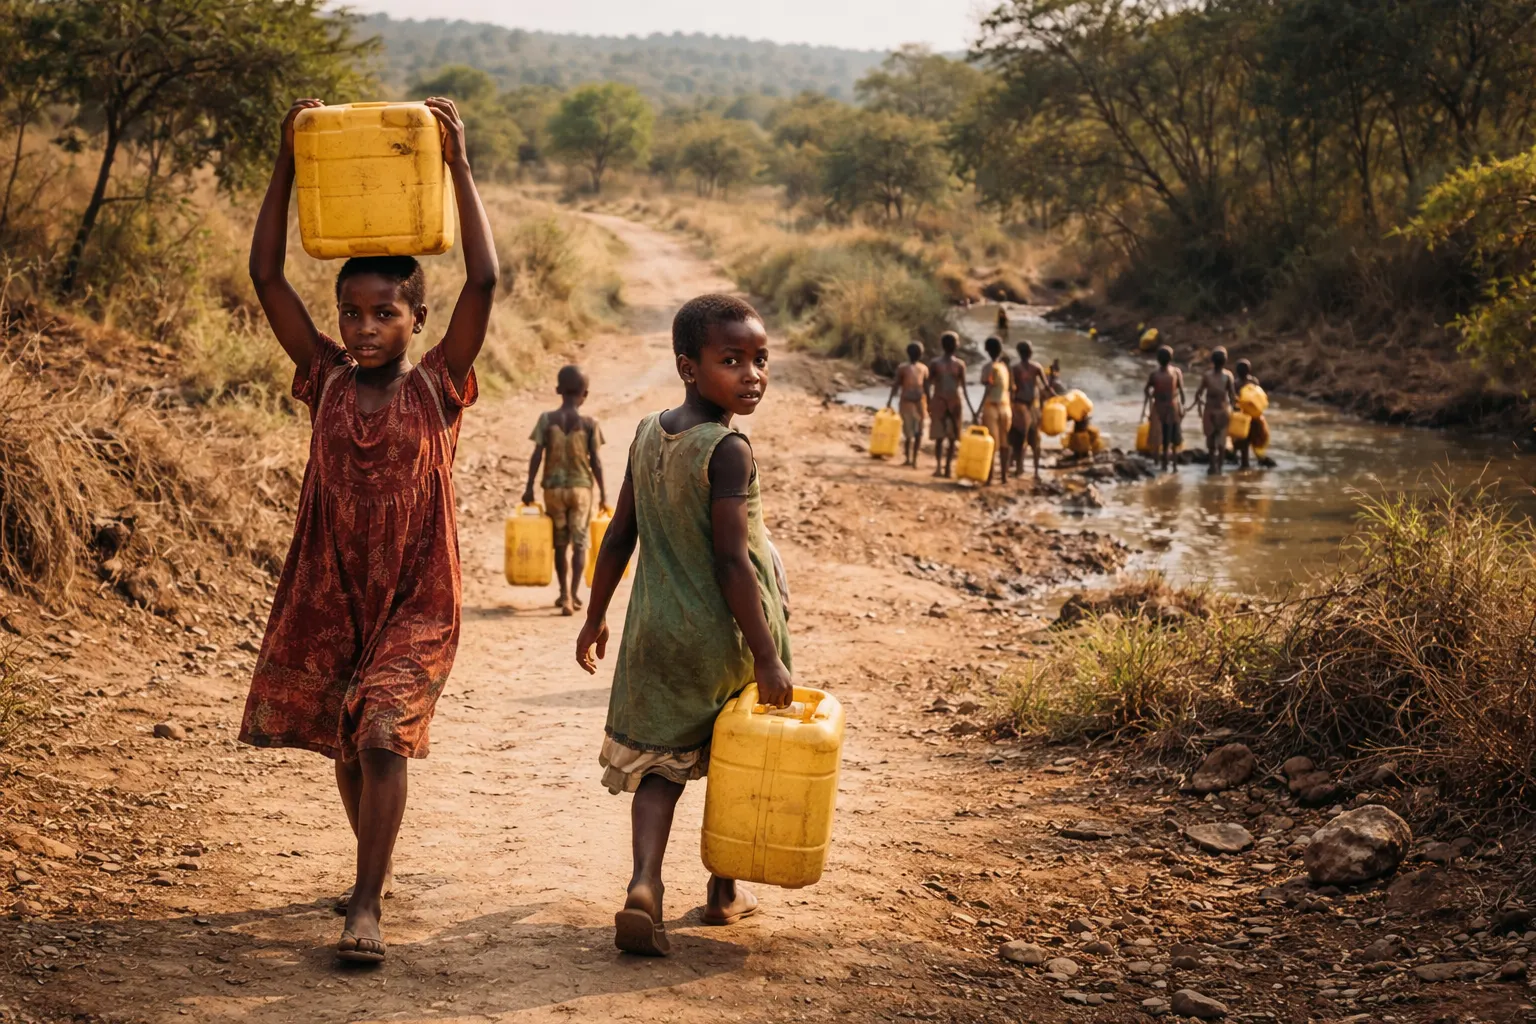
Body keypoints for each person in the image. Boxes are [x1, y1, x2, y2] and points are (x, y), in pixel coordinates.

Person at [238, 97, 497, 965]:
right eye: (351, 313)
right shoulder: (325, 380)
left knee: (382, 730)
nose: (364, 328)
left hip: (419, 596)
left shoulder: (437, 387)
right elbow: (266, 277)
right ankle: (369, 870)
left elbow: (485, 284)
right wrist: (287, 157)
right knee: (347, 745)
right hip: (334, 589)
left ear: (417, 318)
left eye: (385, 312)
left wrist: (459, 167)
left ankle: (367, 904)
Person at [575, 293, 793, 958]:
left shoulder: (648, 431)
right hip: (722, 638)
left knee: (659, 767)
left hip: (653, 632)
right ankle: (724, 892)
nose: (752, 375)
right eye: (732, 360)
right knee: (737, 759)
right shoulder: (727, 449)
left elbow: (619, 535)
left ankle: (644, 884)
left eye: (760, 360)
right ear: (688, 367)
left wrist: (596, 616)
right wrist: (766, 655)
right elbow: (731, 562)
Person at [522, 365, 607, 615]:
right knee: (579, 543)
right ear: (585, 394)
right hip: (581, 490)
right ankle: (575, 592)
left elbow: (537, 455)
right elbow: (596, 461)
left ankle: (564, 594)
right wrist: (604, 494)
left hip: (553, 490)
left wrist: (529, 487)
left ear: (558, 389)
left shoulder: (547, 420)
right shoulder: (590, 423)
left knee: (560, 542)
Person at [925, 332, 975, 478]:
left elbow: (927, 385)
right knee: (947, 437)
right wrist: (973, 410)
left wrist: (929, 401)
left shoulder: (947, 364)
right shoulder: (952, 364)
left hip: (947, 402)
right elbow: (964, 388)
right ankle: (944, 468)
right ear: (956, 346)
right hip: (948, 401)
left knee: (945, 437)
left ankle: (942, 468)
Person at [1009, 340, 1051, 479]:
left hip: (1025, 406)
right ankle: (1031, 470)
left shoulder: (1016, 368)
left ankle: (1022, 469)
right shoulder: (1034, 367)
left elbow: (1011, 389)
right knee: (1030, 439)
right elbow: (1046, 387)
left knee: (1024, 439)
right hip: (1027, 406)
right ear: (1030, 352)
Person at [1194, 346, 1238, 475]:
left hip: (1213, 411)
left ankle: (1213, 466)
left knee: (1212, 442)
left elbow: (1198, 394)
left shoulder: (1209, 375)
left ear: (1212, 360)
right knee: (1219, 442)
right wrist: (1235, 407)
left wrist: (1199, 405)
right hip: (1220, 411)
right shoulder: (1226, 376)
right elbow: (1232, 396)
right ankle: (1218, 467)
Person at [1141, 345, 1186, 472]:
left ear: (1157, 359)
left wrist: (1150, 398)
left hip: (1161, 408)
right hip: (1171, 407)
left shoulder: (1155, 375)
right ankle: (1173, 465)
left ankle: (1161, 464)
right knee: (1172, 438)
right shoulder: (1175, 372)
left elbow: (1146, 390)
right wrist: (1182, 407)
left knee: (1160, 437)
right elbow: (1182, 392)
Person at [885, 342, 929, 467]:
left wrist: (930, 403)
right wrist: (890, 400)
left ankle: (913, 459)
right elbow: (896, 384)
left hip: (919, 402)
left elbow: (926, 387)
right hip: (907, 402)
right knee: (909, 432)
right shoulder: (903, 368)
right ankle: (909, 458)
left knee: (918, 431)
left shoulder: (923, 368)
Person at [978, 336, 1012, 484]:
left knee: (991, 442)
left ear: (987, 350)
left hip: (991, 407)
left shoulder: (988, 367)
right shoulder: (1004, 367)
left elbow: (988, 388)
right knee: (1004, 443)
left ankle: (990, 477)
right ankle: (1004, 476)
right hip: (1005, 407)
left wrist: (977, 410)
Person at [1233, 358, 1262, 470]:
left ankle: (1243, 463)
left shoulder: (1237, 383)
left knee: (1243, 440)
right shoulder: (1253, 381)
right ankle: (1244, 462)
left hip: (1244, 416)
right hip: (1250, 415)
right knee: (1246, 439)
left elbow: (1233, 400)